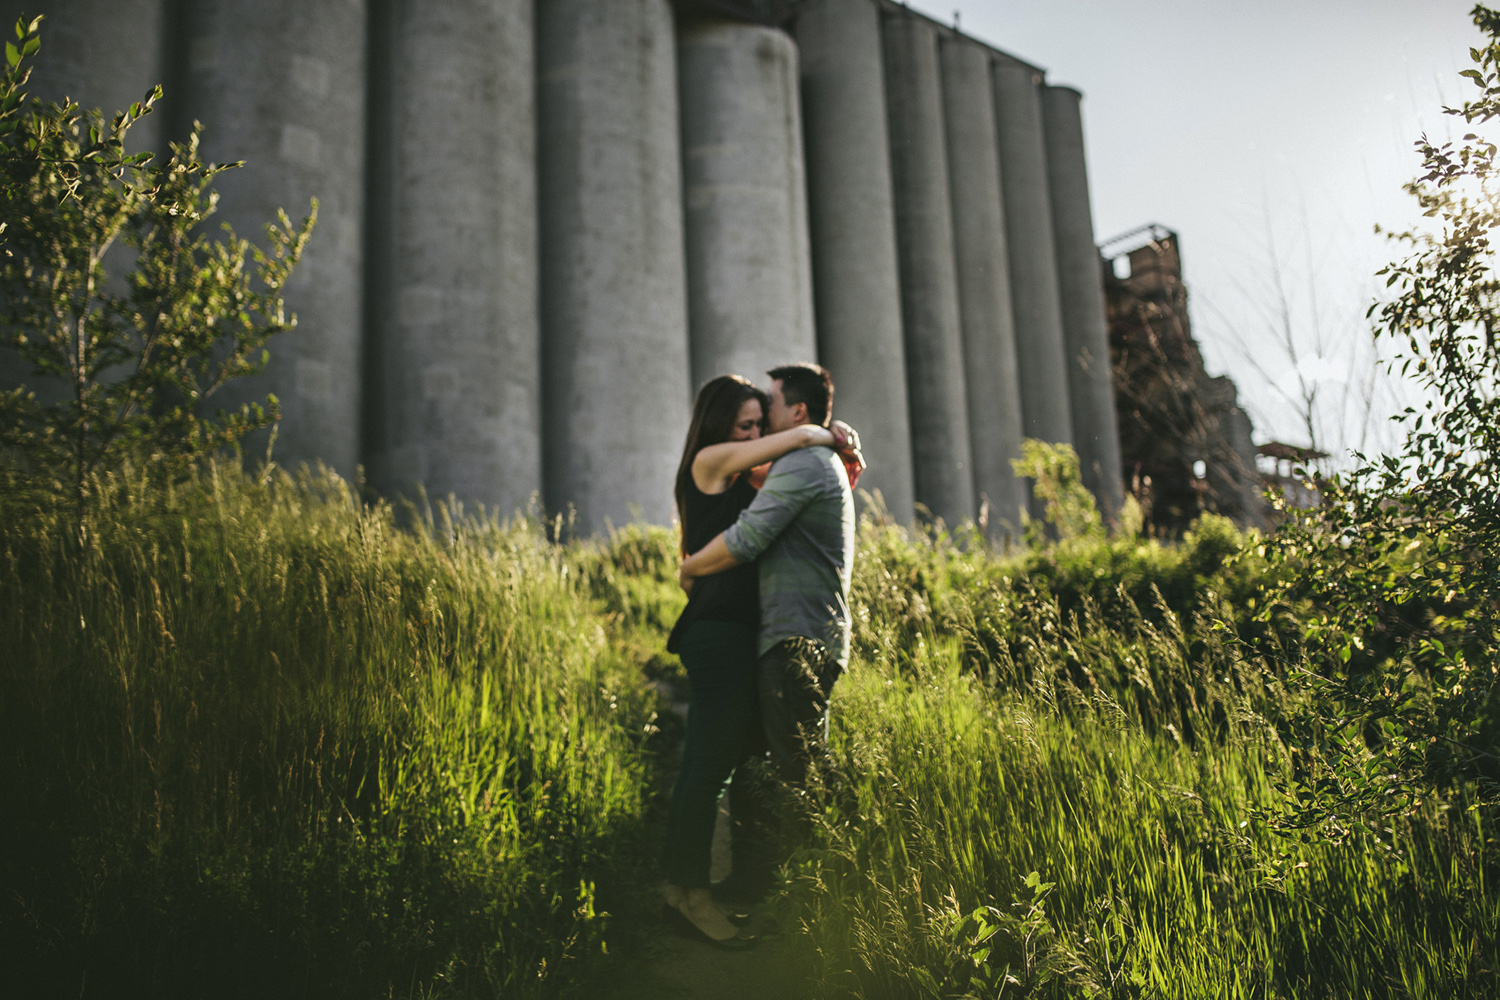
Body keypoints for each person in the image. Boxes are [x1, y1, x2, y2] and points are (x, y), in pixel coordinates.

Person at [661, 373, 858, 949]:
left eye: (758, 421)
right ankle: (686, 895)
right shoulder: (711, 458)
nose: (754, 433)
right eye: (746, 424)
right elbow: (797, 443)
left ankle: (729, 887)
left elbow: (808, 482)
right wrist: (826, 432)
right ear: (723, 426)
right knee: (708, 764)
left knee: (733, 763)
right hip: (717, 632)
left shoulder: (752, 475)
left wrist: (840, 443)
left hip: (741, 634)